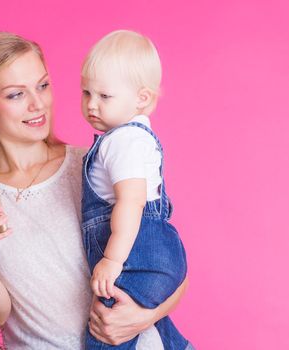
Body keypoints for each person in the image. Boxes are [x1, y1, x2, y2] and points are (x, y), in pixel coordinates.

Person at [0, 31, 188, 349]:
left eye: (43, 85)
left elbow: (168, 262)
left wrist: (143, 317)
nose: (38, 104)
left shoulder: (94, 167)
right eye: (15, 94)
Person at [80, 30, 190, 349]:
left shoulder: (122, 141)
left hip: (136, 257)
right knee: (144, 323)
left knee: (105, 331)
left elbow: (130, 202)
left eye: (104, 96)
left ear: (141, 98)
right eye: (86, 93)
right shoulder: (138, 137)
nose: (91, 104)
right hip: (162, 255)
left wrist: (113, 260)